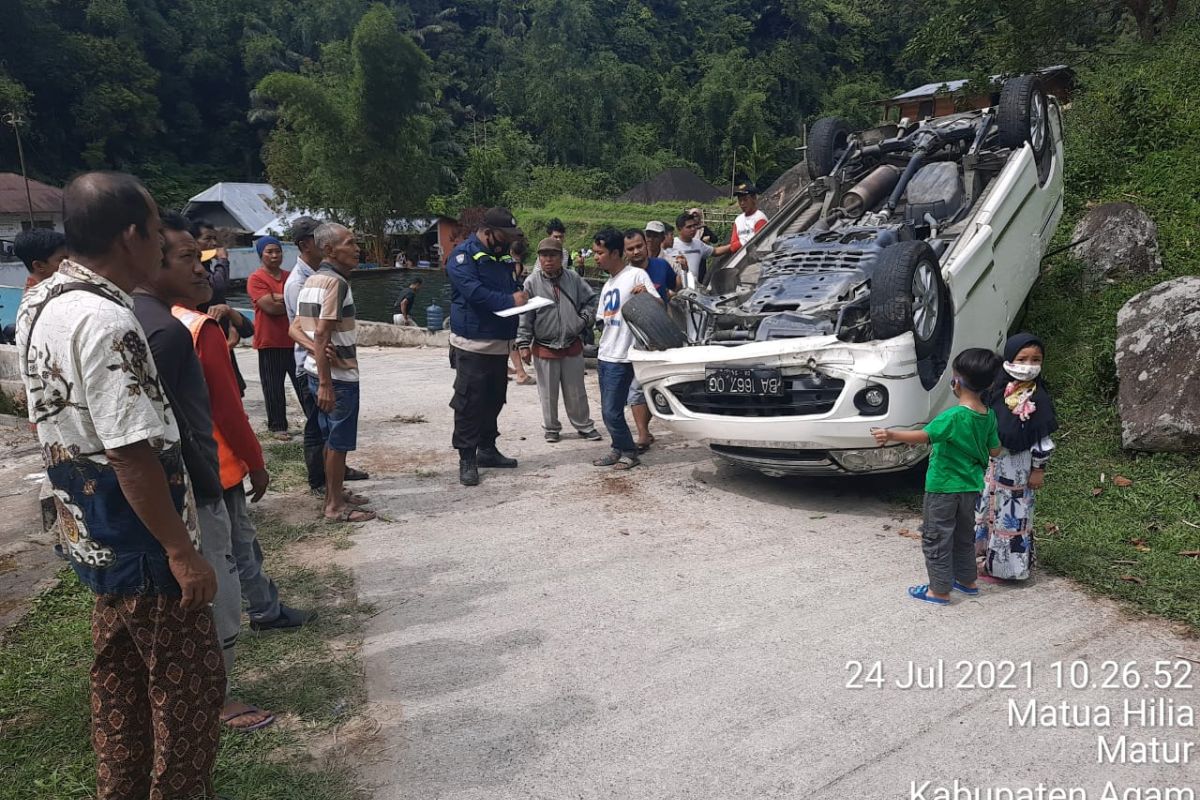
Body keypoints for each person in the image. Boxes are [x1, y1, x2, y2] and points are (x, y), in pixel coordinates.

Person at [16, 172, 224, 798]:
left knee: (120, 680)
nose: (163, 245)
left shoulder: (41, 301)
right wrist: (182, 553)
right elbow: (131, 453)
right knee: (188, 690)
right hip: (144, 542)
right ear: (131, 234)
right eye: (158, 231)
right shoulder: (110, 320)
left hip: (92, 532)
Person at [133, 210, 278, 733]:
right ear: (150, 259)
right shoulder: (186, 329)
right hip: (210, 472)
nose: (203, 271)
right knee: (224, 570)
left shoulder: (137, 318)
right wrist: (256, 462)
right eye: (189, 259)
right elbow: (225, 409)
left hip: (186, 476)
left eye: (203, 258)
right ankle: (216, 697)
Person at [872, 349, 1003, 606]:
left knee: (936, 537)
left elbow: (924, 436)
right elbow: (996, 450)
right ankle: (967, 581)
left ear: (956, 382)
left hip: (943, 487)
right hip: (970, 488)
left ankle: (939, 590)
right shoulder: (989, 416)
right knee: (963, 535)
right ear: (988, 384)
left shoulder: (953, 416)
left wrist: (891, 434)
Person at [291, 223, 376, 522]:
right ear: (329, 250)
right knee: (338, 444)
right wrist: (326, 381)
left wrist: (316, 353)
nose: (357, 249)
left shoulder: (313, 280)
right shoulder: (336, 284)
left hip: (316, 372)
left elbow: (295, 328)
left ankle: (335, 495)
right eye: (350, 243)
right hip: (337, 379)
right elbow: (322, 334)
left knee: (330, 440)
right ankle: (334, 507)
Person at [446, 207, 527, 486]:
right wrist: (510, 302)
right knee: (469, 403)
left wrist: (520, 292)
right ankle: (467, 457)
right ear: (487, 232)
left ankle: (488, 449)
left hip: (499, 344)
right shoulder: (462, 257)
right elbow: (475, 293)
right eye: (503, 236)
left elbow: (507, 285)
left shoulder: (501, 254)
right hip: (473, 345)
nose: (507, 242)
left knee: (494, 399)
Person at [976, 333, 1058, 582]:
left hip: (1018, 470)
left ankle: (1008, 570)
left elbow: (1041, 439)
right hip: (994, 466)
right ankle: (984, 559)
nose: (1029, 365)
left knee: (1013, 517)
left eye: (1036, 359)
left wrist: (1038, 470)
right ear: (1009, 359)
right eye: (1022, 359)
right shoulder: (999, 391)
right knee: (988, 511)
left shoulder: (1039, 398)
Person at [516, 237, 602, 443]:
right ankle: (551, 427)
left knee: (576, 392)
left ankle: (584, 425)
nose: (548, 260)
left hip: (572, 343)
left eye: (553, 255)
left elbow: (592, 300)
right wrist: (523, 343)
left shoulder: (573, 278)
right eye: (544, 256)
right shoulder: (532, 282)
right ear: (539, 258)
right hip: (544, 345)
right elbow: (525, 315)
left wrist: (583, 320)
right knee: (547, 392)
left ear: (561, 257)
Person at [593, 227, 659, 470]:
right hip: (605, 353)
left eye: (599, 253)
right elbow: (602, 318)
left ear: (615, 252)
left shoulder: (636, 276)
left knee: (612, 411)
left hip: (622, 356)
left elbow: (658, 304)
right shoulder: (609, 284)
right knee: (607, 411)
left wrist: (645, 297)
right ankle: (617, 448)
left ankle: (629, 451)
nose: (595, 257)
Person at [623, 229, 675, 451]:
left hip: (660, 338)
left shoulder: (662, 267)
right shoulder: (622, 276)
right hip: (634, 341)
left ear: (646, 245)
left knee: (658, 383)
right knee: (636, 388)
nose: (636, 252)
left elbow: (676, 288)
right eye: (630, 249)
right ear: (624, 252)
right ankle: (643, 434)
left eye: (639, 246)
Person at [191, 218, 253, 397]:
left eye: (214, 240)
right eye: (207, 239)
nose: (213, 244)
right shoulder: (194, 276)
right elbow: (217, 286)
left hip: (224, 346)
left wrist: (230, 313)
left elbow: (248, 329)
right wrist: (223, 260)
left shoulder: (208, 267)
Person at [247, 235, 293, 437]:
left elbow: (299, 301)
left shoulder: (290, 276)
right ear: (261, 254)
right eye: (269, 252)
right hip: (269, 341)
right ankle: (278, 426)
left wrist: (278, 298)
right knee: (273, 386)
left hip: (293, 339)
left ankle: (314, 419)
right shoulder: (256, 279)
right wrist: (288, 301)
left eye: (277, 251)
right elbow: (270, 308)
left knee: (303, 384)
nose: (275, 256)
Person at [506, 236, 536, 386]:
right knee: (510, 339)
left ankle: (506, 369)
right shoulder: (515, 264)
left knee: (506, 339)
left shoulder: (510, 263)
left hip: (509, 303)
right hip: (513, 303)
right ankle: (520, 373)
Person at [713, 182, 769, 258]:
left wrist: (740, 243)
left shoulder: (760, 218)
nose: (742, 203)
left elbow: (757, 242)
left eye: (745, 199)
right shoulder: (738, 220)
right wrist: (743, 242)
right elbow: (733, 245)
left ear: (754, 199)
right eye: (740, 200)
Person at [663, 212, 714, 287]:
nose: (693, 229)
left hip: (693, 289)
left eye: (694, 226)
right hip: (676, 289)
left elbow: (715, 251)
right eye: (689, 227)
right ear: (679, 229)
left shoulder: (698, 244)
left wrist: (734, 245)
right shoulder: (671, 244)